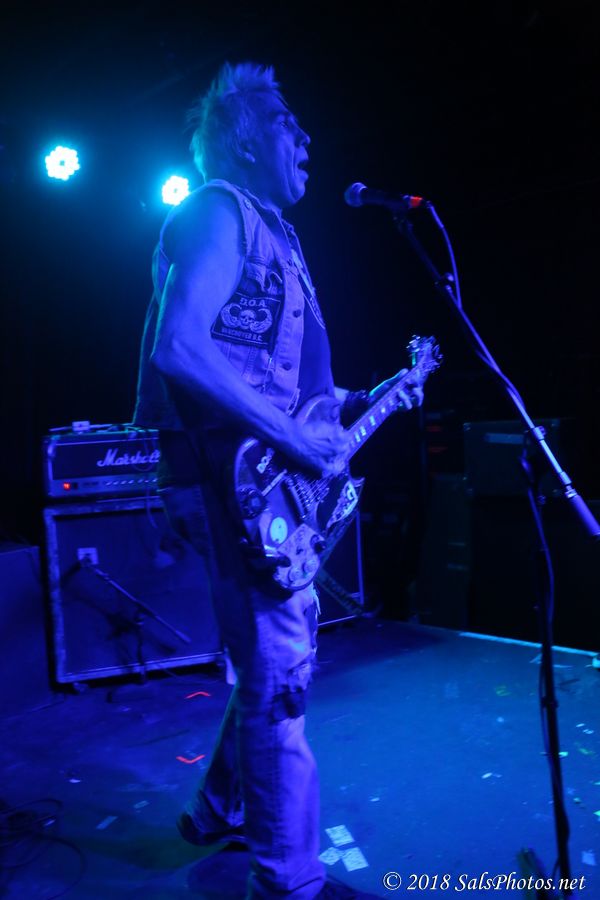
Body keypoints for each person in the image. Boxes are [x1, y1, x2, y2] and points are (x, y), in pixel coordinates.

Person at [133, 61, 422, 899]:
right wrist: (289, 434)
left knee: (274, 656)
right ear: (246, 137)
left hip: (258, 480)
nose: (306, 136)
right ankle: (288, 879)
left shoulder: (278, 238)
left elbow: (289, 391)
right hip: (226, 481)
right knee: (282, 670)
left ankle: (219, 807)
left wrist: (361, 401)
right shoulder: (214, 211)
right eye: (286, 121)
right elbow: (178, 347)